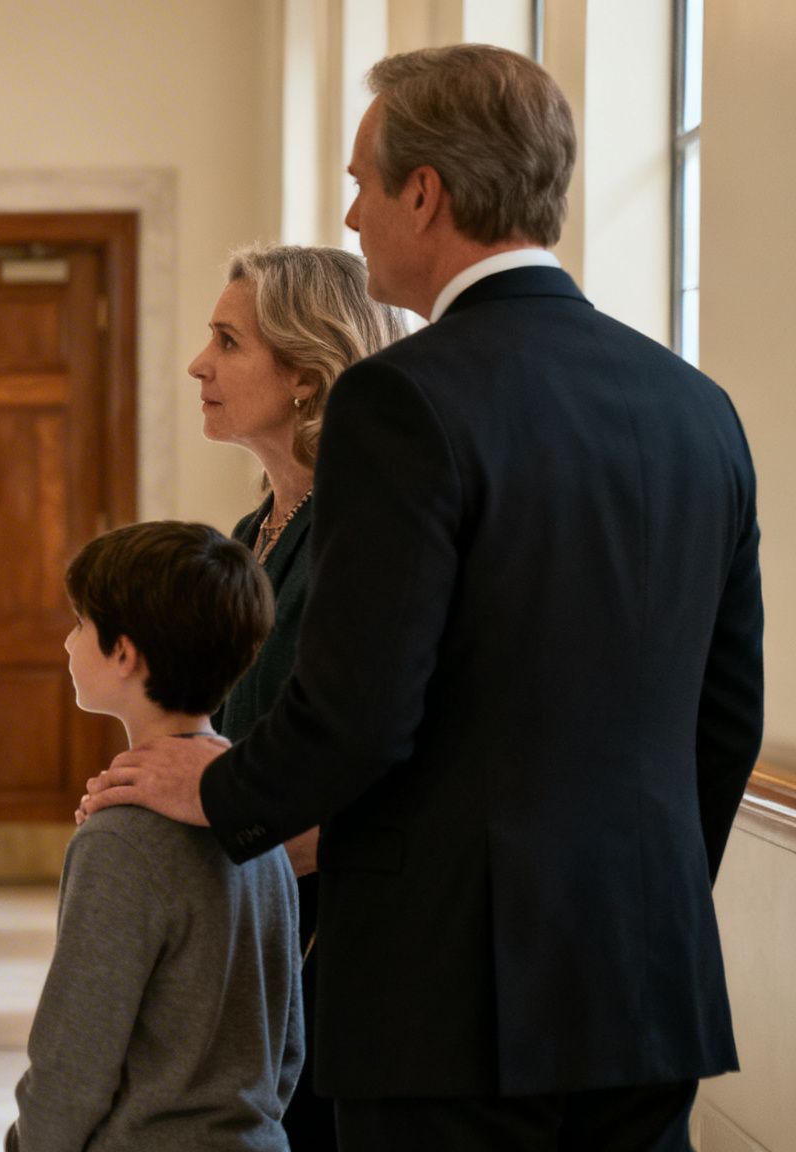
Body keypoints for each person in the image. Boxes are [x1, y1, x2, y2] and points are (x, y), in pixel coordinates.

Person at [83, 44, 761, 1151]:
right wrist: (648, 903)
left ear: (423, 192)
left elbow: (359, 708)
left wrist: (214, 789)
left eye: (359, 182)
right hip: (648, 978)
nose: (349, 215)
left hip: (451, 994)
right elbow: (723, 712)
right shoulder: (693, 405)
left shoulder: (401, 399)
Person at [189, 243, 405, 1150]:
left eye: (228, 342)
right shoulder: (250, 531)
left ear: (309, 376)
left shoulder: (363, 525)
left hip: (344, 926)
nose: (199, 364)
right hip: (255, 902)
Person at [10, 521, 301, 1151]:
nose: (66, 643)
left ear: (124, 652)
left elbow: (75, 1058)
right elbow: (287, 1044)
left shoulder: (122, 839)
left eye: (79, 625)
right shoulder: (257, 815)